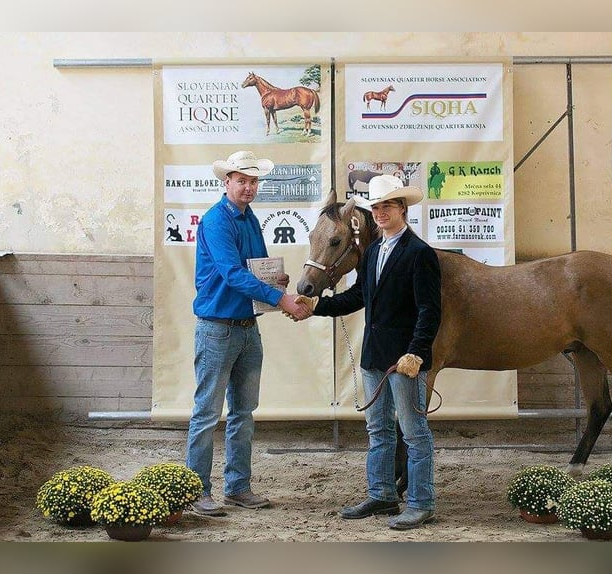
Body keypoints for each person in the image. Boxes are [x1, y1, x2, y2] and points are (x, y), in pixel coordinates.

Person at [295, 174, 442, 530]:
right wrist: (316, 306)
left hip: (404, 360)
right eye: (376, 206)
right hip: (374, 356)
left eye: (387, 206)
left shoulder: (420, 253)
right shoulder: (373, 251)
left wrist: (417, 353)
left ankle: (421, 503)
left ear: (402, 209)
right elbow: (359, 297)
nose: (380, 212)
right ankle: (382, 494)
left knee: (414, 431)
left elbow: (430, 310)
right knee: (378, 431)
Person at [187, 150, 310, 516]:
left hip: (244, 327)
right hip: (218, 329)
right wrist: (281, 297)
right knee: (207, 413)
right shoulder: (216, 221)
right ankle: (197, 490)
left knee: (243, 411)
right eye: (241, 180)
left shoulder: (249, 218)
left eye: (253, 181)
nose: (248, 187)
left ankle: (238, 487)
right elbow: (232, 274)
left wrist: (276, 281)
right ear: (226, 183)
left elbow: (252, 268)